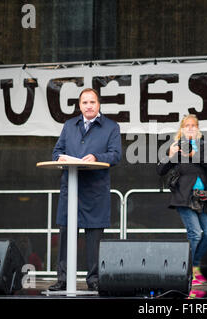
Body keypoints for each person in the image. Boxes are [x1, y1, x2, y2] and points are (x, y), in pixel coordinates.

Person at [49, 88, 121, 291]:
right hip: (70, 188)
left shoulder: (111, 127)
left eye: (92, 102)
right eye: (84, 103)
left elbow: (116, 155)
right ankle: (62, 279)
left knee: (94, 236)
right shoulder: (70, 125)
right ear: (79, 105)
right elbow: (56, 151)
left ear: (99, 104)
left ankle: (94, 279)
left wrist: (98, 157)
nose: (88, 106)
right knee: (65, 235)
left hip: (95, 189)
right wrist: (60, 158)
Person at [156, 114, 207, 287]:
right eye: (187, 125)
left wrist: (193, 154)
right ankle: (194, 272)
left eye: (193, 125)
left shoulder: (203, 146)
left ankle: (194, 264)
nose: (190, 128)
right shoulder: (175, 146)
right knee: (195, 233)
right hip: (183, 196)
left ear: (197, 128)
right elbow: (160, 170)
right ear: (181, 129)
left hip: (203, 196)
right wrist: (170, 155)